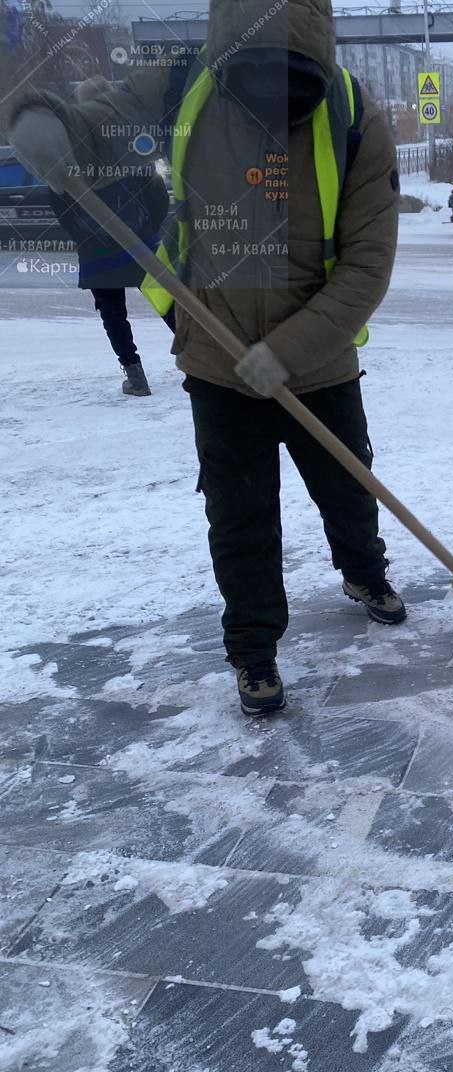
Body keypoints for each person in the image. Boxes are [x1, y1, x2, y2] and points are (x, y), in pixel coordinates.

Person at [9, 0, 405, 716]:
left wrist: (285, 352)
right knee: (240, 517)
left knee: (348, 486)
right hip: (216, 356)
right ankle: (253, 652)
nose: (270, 105)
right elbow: (96, 116)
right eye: (253, 83)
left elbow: (368, 266)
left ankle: (364, 574)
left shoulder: (353, 113)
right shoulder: (180, 82)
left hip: (318, 360)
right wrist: (49, 125)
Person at [46, 76, 170, 397]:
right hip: (139, 241)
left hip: (96, 250)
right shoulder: (129, 141)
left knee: (113, 314)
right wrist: (148, 229)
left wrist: (82, 236)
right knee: (170, 300)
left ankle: (135, 376)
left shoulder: (69, 150)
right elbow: (157, 193)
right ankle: (198, 357)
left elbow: (59, 202)